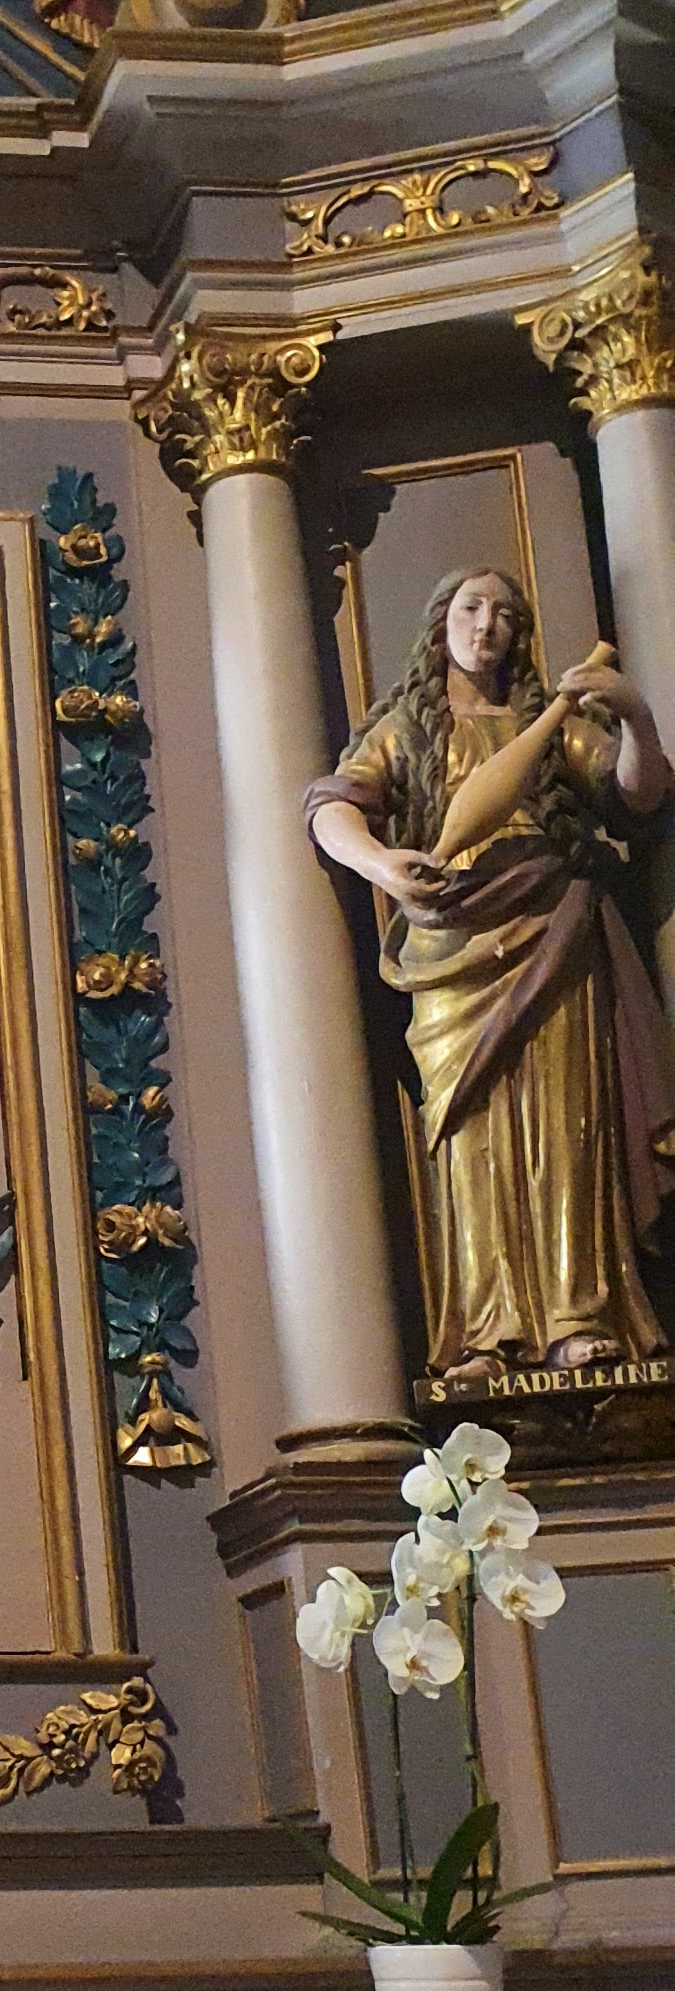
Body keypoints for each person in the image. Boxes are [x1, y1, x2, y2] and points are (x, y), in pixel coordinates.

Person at [308, 565, 675, 1385]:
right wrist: (382, 865)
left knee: (568, 1130)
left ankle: (579, 1314)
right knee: (467, 1139)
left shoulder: (551, 725)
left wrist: (636, 717)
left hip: (554, 931)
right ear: (441, 622)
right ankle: (487, 1329)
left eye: (505, 614)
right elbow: (331, 807)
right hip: (451, 948)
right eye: (472, 608)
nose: (487, 626)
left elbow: (639, 800)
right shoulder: (406, 728)